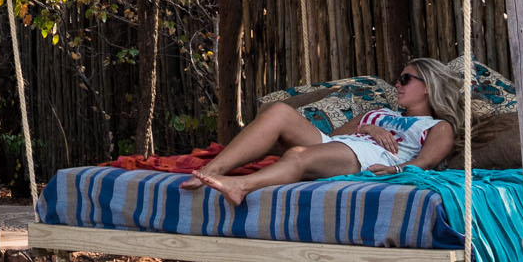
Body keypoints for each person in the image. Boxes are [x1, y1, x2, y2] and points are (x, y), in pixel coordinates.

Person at [193, 62, 464, 206]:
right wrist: (368, 126)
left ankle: (241, 187)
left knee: (299, 155)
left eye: (406, 79)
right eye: (399, 78)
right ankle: (214, 171)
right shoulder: (382, 113)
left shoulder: (437, 127)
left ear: (428, 87)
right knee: (278, 111)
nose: (398, 84)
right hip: (347, 145)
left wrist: (395, 171)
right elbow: (335, 137)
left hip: (370, 157)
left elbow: (426, 162)